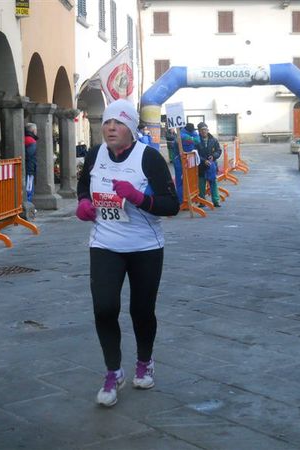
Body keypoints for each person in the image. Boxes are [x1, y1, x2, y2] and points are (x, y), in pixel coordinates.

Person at [75, 99, 180, 407]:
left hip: (145, 247)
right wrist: (83, 204)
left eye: (118, 123)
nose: (110, 127)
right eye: (107, 122)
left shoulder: (148, 158)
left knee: (141, 311)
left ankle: (144, 361)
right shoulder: (95, 155)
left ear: (131, 128)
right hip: (105, 244)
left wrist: (137, 198)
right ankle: (113, 371)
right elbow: (84, 186)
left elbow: (171, 205)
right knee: (104, 308)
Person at [196, 122, 222, 208]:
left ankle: (216, 201)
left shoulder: (213, 140)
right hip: (201, 166)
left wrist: (214, 156)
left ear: (207, 130)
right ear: (199, 131)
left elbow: (219, 150)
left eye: (205, 129)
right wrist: (203, 161)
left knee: (213, 183)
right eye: (202, 130)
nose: (204, 131)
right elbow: (195, 153)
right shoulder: (196, 140)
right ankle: (202, 202)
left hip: (211, 165)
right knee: (201, 185)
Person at [172, 123, 200, 204]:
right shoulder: (180, 133)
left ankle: (188, 198)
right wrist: (191, 139)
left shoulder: (192, 132)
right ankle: (181, 200)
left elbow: (198, 141)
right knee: (180, 179)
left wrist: (188, 138)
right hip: (179, 160)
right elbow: (178, 140)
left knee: (190, 178)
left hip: (189, 160)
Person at [24, 123, 38, 202]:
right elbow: (30, 155)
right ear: (33, 130)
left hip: (27, 167)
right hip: (29, 168)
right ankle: (28, 203)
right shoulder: (31, 140)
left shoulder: (24, 138)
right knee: (29, 188)